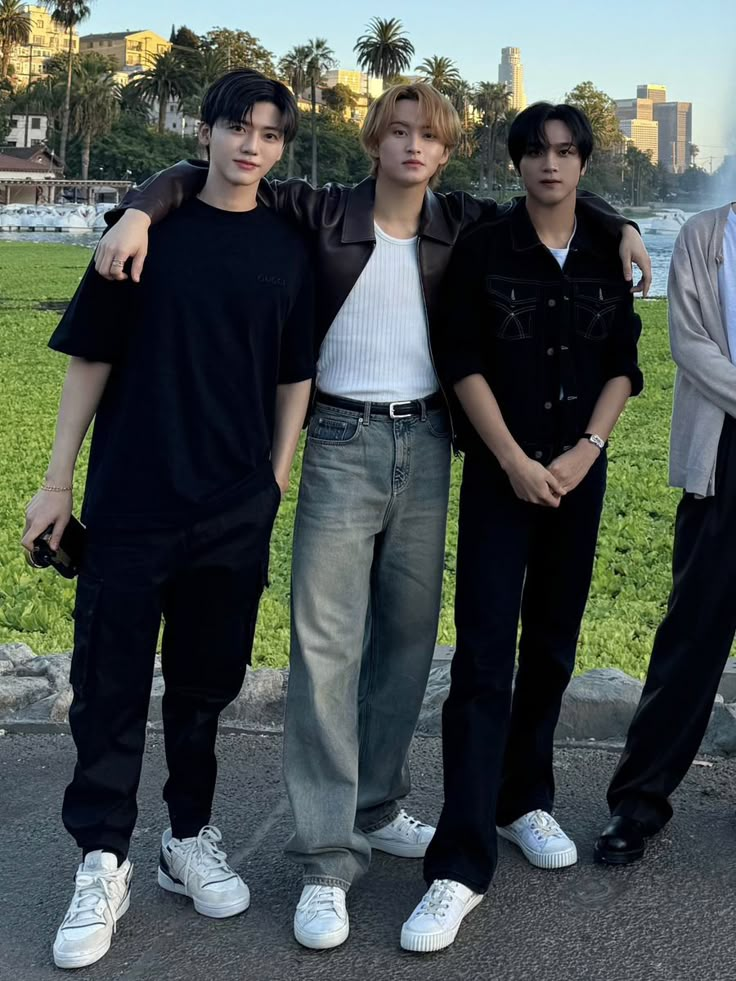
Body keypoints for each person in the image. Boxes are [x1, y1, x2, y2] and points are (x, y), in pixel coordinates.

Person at [92, 82, 651, 951]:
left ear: (447, 148)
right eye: (398, 132)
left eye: (429, 136)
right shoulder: (319, 209)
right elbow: (210, 173)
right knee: (325, 650)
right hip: (343, 442)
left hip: (428, 445)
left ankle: (375, 800)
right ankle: (324, 857)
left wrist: (622, 225)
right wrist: (136, 208)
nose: (413, 148)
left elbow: (551, 188)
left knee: (404, 643)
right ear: (373, 139)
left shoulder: (459, 221)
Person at [21, 69, 314, 970]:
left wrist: (275, 474)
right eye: (237, 127)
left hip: (233, 507)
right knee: (108, 686)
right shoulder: (142, 232)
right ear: (208, 131)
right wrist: (57, 480)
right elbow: (91, 358)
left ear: (280, 148)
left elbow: (292, 372)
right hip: (133, 499)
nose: (250, 145)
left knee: (203, 687)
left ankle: (188, 838)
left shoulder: (290, 243)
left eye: (268, 133)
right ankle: (101, 856)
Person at [400, 102, 643, 953]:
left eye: (567, 152)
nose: (551, 164)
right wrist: (507, 456)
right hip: (503, 478)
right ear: (516, 163)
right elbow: (458, 356)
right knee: (481, 659)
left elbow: (624, 363)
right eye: (537, 151)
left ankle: (521, 799)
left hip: (581, 472)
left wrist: (587, 450)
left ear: (582, 164)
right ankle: (458, 862)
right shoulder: (484, 248)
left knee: (551, 645)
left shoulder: (609, 251)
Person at [594, 200, 736, 866]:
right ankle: (638, 800)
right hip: (723, 453)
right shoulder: (706, 236)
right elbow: (689, 343)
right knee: (694, 628)